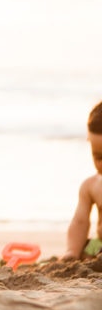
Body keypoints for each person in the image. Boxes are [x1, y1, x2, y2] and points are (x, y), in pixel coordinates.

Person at [62, 101, 102, 260]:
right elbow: (80, 222)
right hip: (100, 243)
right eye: (98, 157)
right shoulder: (91, 186)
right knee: (86, 251)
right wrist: (72, 251)